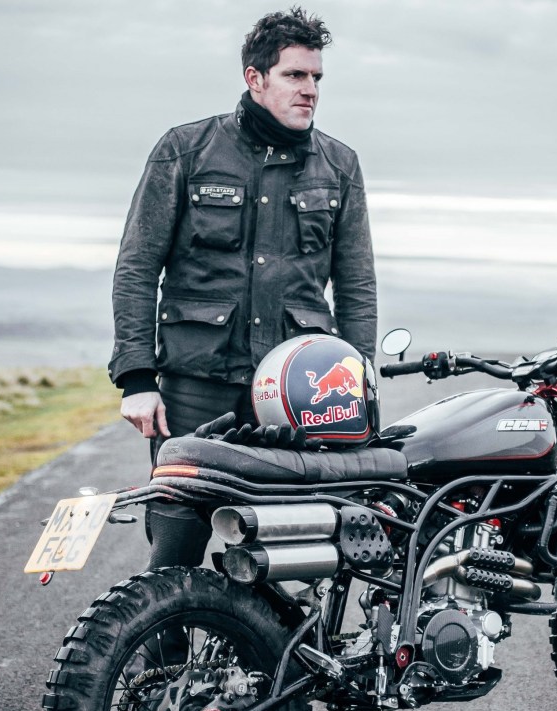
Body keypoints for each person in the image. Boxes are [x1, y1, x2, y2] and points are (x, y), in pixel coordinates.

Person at [108, 7, 378, 573]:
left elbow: (355, 283)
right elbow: (136, 267)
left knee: (290, 547)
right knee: (176, 542)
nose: (310, 91)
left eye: (316, 78)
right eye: (295, 76)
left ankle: (276, 660)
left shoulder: (340, 165)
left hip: (297, 393)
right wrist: (137, 378)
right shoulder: (185, 150)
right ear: (255, 79)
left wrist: (358, 378)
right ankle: (161, 657)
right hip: (195, 382)